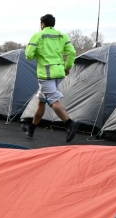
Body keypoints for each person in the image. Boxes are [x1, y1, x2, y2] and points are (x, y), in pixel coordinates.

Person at [23, 14, 78, 142]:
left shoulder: (38, 35)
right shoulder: (62, 36)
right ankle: (31, 128)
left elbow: (29, 55)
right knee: (42, 101)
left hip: (46, 74)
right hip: (59, 72)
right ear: (53, 24)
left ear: (42, 24)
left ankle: (70, 124)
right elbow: (72, 53)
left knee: (53, 100)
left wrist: (36, 53)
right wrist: (67, 67)